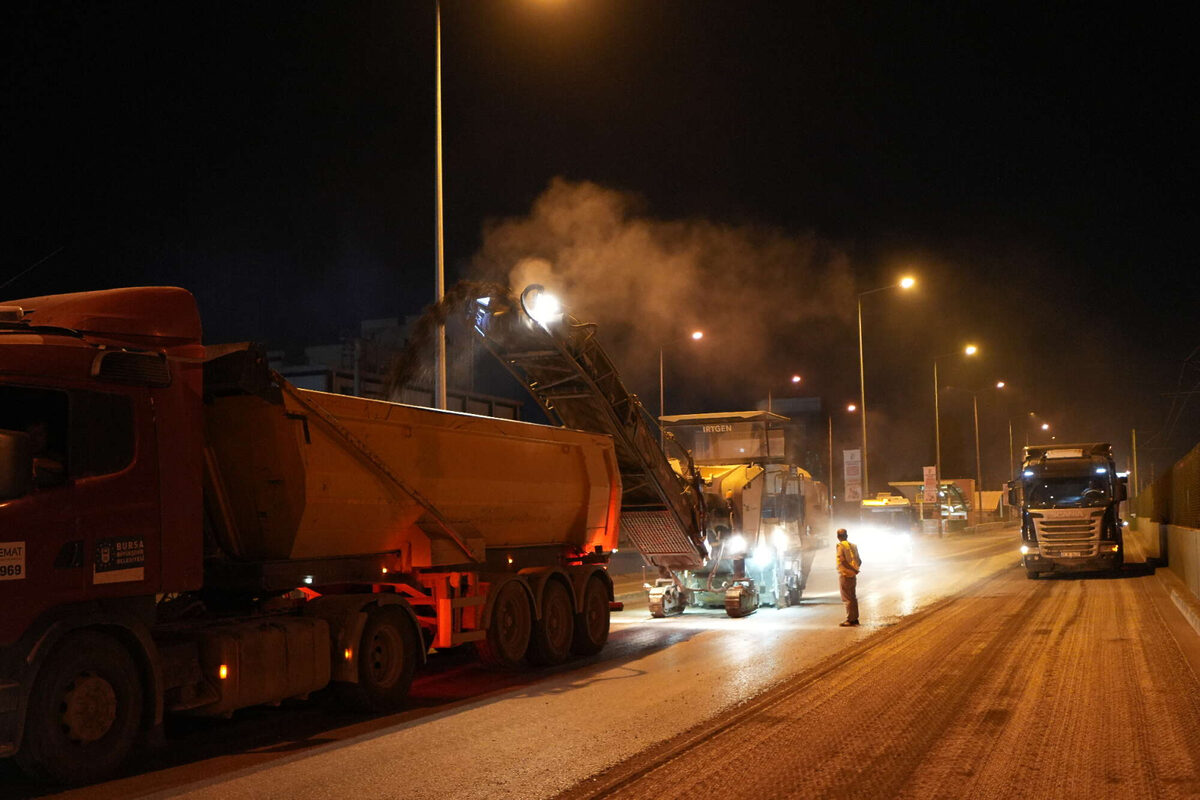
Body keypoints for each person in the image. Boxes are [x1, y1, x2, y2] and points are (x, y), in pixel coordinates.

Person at [835, 528, 861, 626]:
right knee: (853, 597)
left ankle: (850, 619)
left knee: (847, 598)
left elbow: (842, 560)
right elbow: (859, 561)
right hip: (853, 575)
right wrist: (855, 570)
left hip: (845, 574)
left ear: (838, 537)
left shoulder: (840, 546)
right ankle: (855, 619)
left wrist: (851, 569)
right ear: (847, 535)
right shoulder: (853, 546)